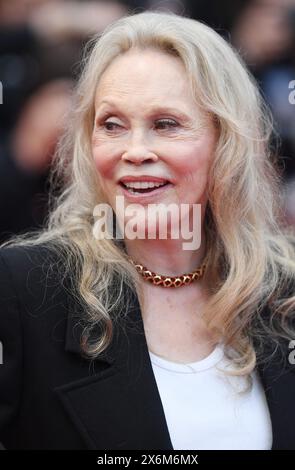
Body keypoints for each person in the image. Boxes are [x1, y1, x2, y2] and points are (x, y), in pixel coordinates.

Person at [0, 11, 294, 451]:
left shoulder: (284, 287)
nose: (134, 151)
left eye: (166, 124)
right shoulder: (25, 287)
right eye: (112, 125)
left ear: (226, 141)